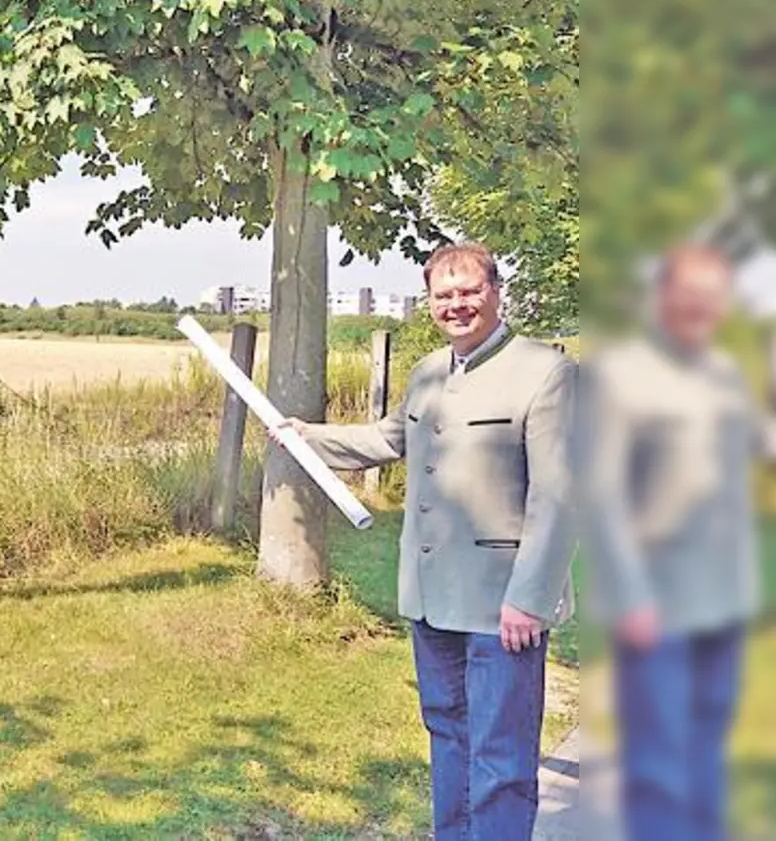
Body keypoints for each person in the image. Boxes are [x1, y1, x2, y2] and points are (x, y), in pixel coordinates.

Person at [269, 242, 577, 841]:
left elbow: (559, 495)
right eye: (444, 296)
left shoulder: (546, 371)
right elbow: (388, 439)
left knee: (501, 759)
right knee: (450, 740)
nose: (458, 305)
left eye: (470, 291)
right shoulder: (430, 373)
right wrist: (309, 436)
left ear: (495, 292)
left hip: (501, 606)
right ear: (430, 304)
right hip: (432, 598)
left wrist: (531, 599)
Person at [581, 243, 765, 841]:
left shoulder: (724, 373)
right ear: (663, 296)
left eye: (712, 295)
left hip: (723, 598)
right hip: (656, 605)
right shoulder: (622, 375)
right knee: (659, 766)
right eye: (690, 293)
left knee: (705, 754)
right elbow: (601, 494)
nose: (701, 306)